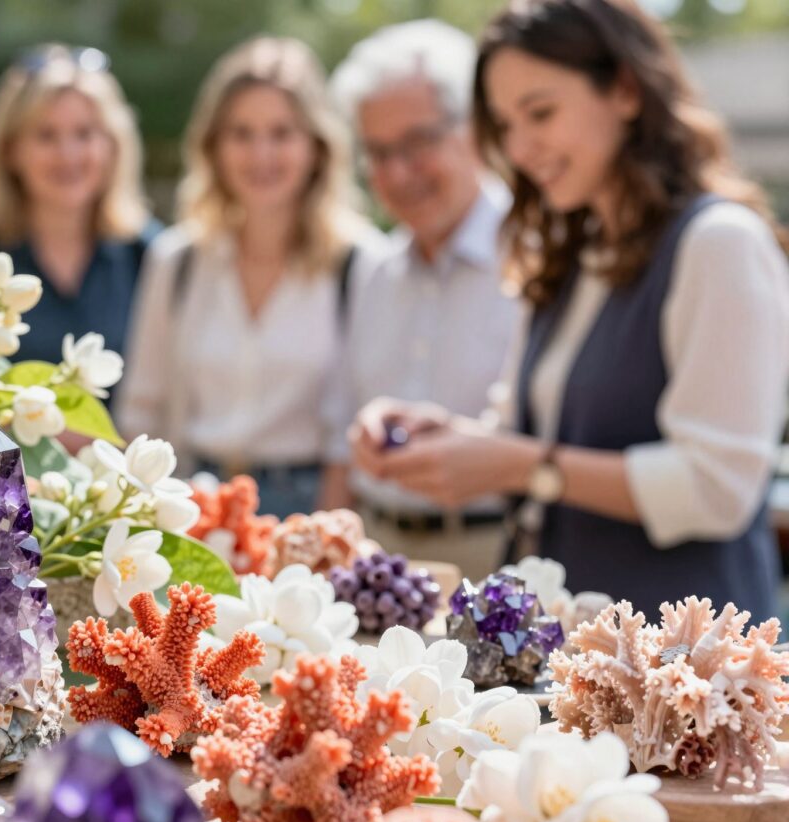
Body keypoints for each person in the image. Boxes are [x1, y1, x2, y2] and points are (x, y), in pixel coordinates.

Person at [352, 0, 789, 619]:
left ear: (626, 90)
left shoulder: (719, 242)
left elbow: (718, 488)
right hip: (578, 655)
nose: (521, 148)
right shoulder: (570, 251)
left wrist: (530, 468)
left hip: (689, 668)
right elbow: (526, 437)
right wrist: (438, 434)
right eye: (505, 124)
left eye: (541, 113)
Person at [117, 36, 384, 519]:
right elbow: (141, 412)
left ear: (316, 146)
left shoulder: (360, 263)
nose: (262, 154)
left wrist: (318, 543)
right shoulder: (176, 260)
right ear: (214, 146)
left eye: (282, 133)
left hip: (307, 509)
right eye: (241, 133)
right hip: (191, 503)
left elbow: (353, 435)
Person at [329, 20, 522, 580]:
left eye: (417, 143)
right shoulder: (372, 270)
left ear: (475, 131)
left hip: (501, 561)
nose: (396, 172)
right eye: (378, 151)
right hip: (376, 556)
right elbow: (342, 432)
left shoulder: (540, 258)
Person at [0, 44, 157, 367]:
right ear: (10, 150)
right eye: (46, 135)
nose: (67, 155)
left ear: (112, 146)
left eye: (84, 134)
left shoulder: (151, 255)